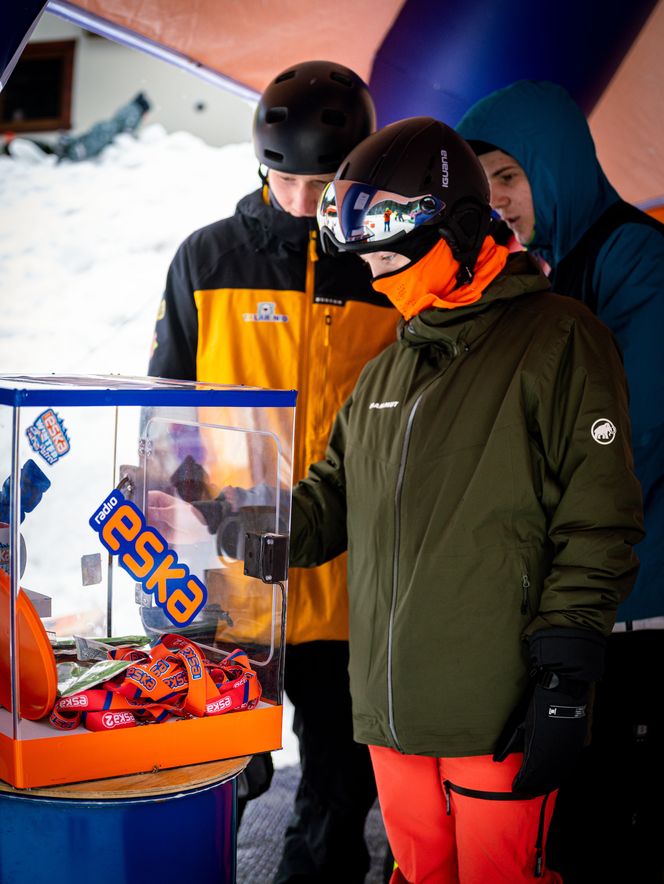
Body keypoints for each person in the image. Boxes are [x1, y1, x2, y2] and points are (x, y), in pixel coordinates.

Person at [287, 115, 644, 883]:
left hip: (497, 706)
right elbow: (329, 501)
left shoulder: (559, 339)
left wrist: (566, 673)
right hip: (390, 707)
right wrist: (239, 521)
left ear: (451, 227)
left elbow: (598, 518)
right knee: (417, 875)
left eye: (386, 248)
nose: (376, 270)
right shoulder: (388, 370)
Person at [148, 60, 399, 882]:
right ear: (262, 165)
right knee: (222, 772)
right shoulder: (208, 258)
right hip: (231, 580)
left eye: (323, 185)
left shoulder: (387, 271)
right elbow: (165, 406)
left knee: (338, 783)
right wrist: (191, 514)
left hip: (348, 576)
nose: (302, 203)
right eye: (285, 180)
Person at [456, 80, 664, 881]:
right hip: (577, 603)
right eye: (483, 185)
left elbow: (627, 434)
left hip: (638, 608)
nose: (497, 199)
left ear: (558, 165)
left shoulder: (633, 256)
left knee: (613, 821)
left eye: (511, 175)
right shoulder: (540, 273)